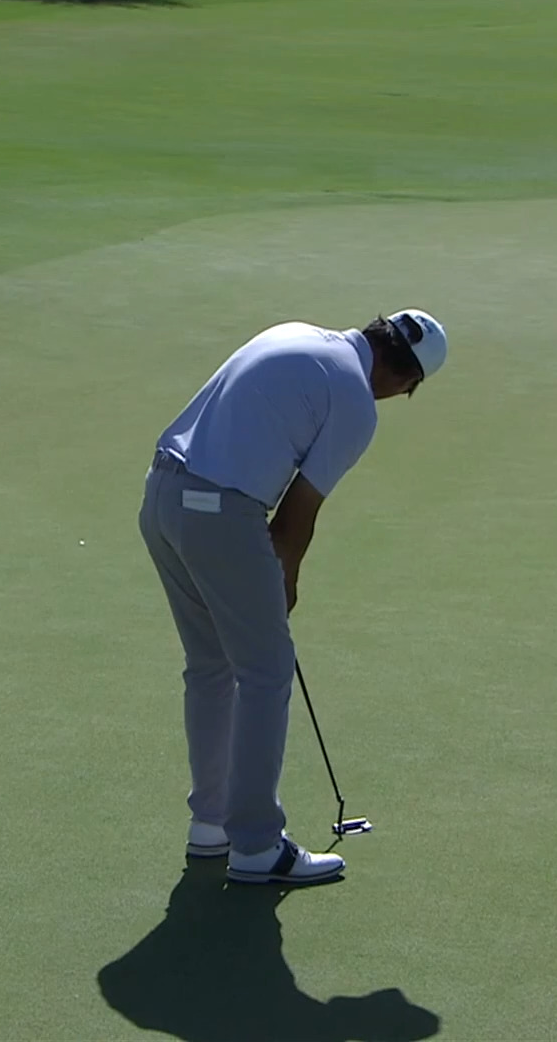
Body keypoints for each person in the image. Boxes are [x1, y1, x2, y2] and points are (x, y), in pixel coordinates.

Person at [137, 309, 448, 885]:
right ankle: (255, 846)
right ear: (406, 383)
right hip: (218, 512)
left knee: (211, 665)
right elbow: (295, 518)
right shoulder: (355, 399)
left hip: (160, 496)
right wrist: (286, 579)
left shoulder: (295, 331)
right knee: (266, 670)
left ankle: (211, 825)